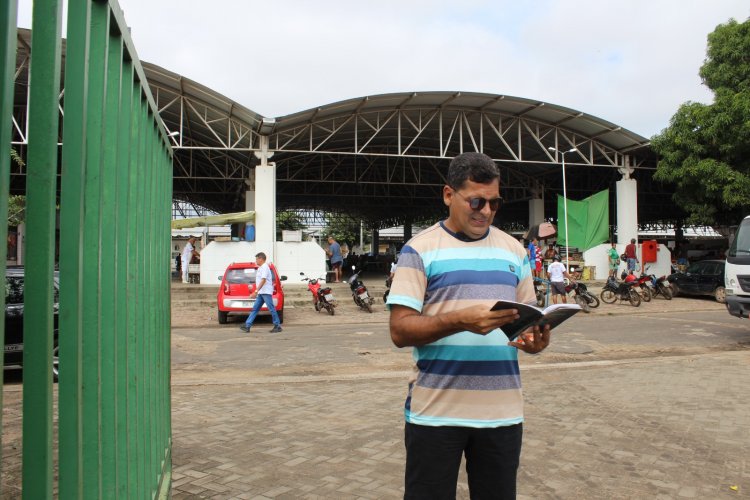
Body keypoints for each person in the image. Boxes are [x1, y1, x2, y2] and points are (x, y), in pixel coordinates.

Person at [387, 152, 552, 499]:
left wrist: (536, 340)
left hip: (502, 413)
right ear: (449, 195)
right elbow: (400, 331)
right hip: (436, 413)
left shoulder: (513, 250)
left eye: (494, 202)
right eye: (476, 201)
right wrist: (459, 320)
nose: (486, 211)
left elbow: (527, 322)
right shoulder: (419, 250)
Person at [239, 252, 282, 333]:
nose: (256, 261)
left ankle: (277, 326)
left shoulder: (265, 267)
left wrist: (256, 291)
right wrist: (258, 291)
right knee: (255, 309)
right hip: (262, 292)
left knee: (271, 308)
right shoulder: (261, 268)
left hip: (265, 292)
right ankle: (247, 325)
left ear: (261, 259)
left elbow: (263, 280)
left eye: (257, 259)